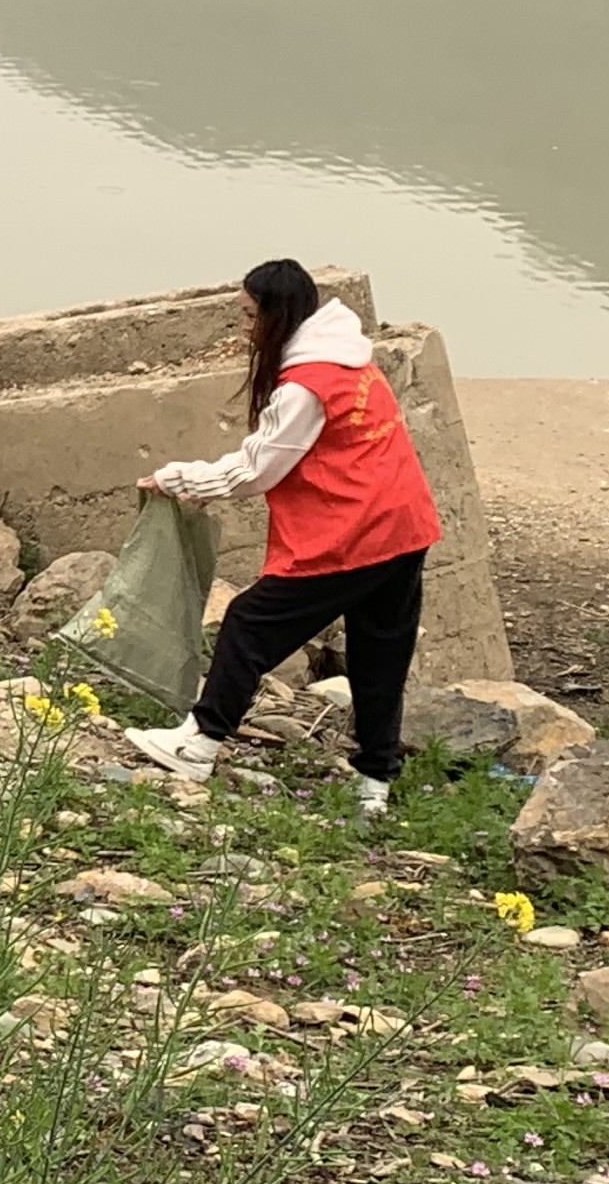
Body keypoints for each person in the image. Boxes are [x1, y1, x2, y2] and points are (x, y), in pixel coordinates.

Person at [125, 258, 444, 819]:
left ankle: (200, 743)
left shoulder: (306, 386)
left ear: (278, 314)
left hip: (354, 532)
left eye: (250, 316)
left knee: (248, 624)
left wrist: (178, 479)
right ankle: (375, 783)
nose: (245, 328)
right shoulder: (354, 362)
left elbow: (258, 470)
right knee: (380, 653)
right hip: (405, 524)